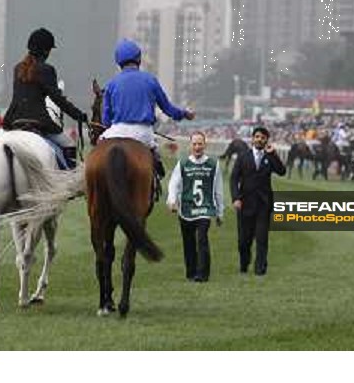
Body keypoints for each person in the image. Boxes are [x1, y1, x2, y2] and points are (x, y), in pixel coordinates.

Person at [100, 38, 195, 180]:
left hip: (117, 131)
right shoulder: (150, 80)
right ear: (138, 59)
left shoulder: (111, 84)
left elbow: (106, 120)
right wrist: (184, 114)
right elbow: (168, 109)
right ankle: (155, 180)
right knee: (155, 163)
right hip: (143, 133)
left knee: (99, 151)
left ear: (118, 62)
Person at [3, 28, 87, 168]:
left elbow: (17, 98)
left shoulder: (17, 68)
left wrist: (7, 121)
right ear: (46, 51)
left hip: (14, 120)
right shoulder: (47, 70)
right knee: (69, 143)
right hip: (39, 121)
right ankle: (70, 180)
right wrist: (78, 115)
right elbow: (57, 100)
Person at [167, 131, 224, 282]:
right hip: (186, 209)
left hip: (204, 209)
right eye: (194, 144)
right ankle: (191, 272)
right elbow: (174, 184)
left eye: (200, 144)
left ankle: (203, 274)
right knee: (188, 242)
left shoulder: (213, 164)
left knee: (202, 239)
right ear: (190, 145)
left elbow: (218, 190)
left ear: (205, 145)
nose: (197, 147)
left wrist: (220, 213)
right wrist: (172, 200)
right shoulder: (183, 163)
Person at [230, 126, 286, 275]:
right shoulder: (243, 157)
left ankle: (260, 269)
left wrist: (274, 154)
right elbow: (234, 178)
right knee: (244, 241)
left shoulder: (269, 157)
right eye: (257, 137)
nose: (259, 139)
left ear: (266, 139)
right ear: (252, 139)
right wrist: (235, 198)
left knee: (262, 239)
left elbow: (282, 171)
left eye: (262, 137)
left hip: (263, 204)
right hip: (245, 204)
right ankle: (244, 264)